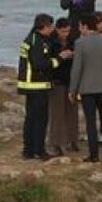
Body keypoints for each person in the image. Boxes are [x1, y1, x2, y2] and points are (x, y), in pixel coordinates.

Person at [68, 14, 102, 162]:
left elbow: (77, 69)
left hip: (87, 88)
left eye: (80, 26)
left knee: (90, 122)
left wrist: (73, 89)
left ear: (84, 27)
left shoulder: (80, 44)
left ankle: (94, 154)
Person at [16, 14, 61, 160]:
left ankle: (28, 150)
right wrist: (59, 59)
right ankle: (38, 150)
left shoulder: (33, 38)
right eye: (51, 26)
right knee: (39, 119)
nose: (53, 29)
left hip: (30, 86)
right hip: (37, 85)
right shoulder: (37, 42)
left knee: (31, 119)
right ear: (44, 26)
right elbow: (39, 64)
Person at [47, 18, 80, 157]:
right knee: (57, 113)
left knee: (72, 111)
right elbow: (48, 62)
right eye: (63, 31)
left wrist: (73, 55)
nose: (65, 34)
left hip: (71, 80)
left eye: (67, 31)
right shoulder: (51, 42)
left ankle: (72, 140)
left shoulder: (74, 41)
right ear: (57, 29)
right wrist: (61, 57)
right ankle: (56, 142)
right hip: (57, 81)